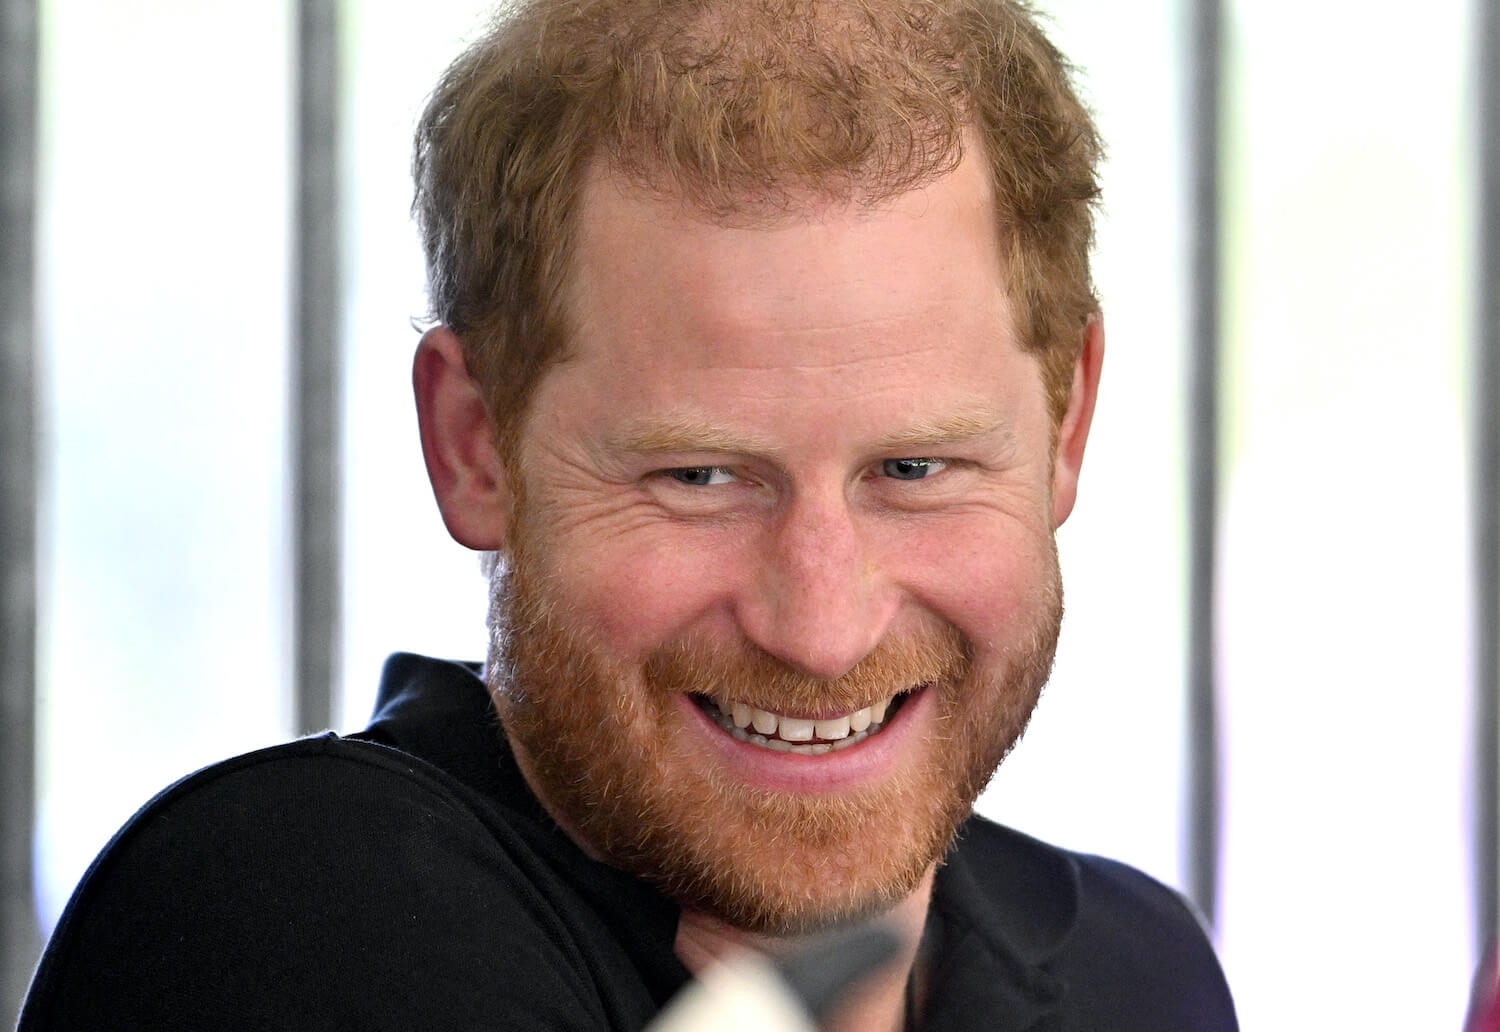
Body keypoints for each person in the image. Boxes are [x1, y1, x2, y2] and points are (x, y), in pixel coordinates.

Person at [19, 1, 1237, 1029]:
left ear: (1067, 428)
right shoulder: (290, 912)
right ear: (474, 446)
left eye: (914, 469)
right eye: (698, 478)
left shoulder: (1137, 973)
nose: (821, 628)